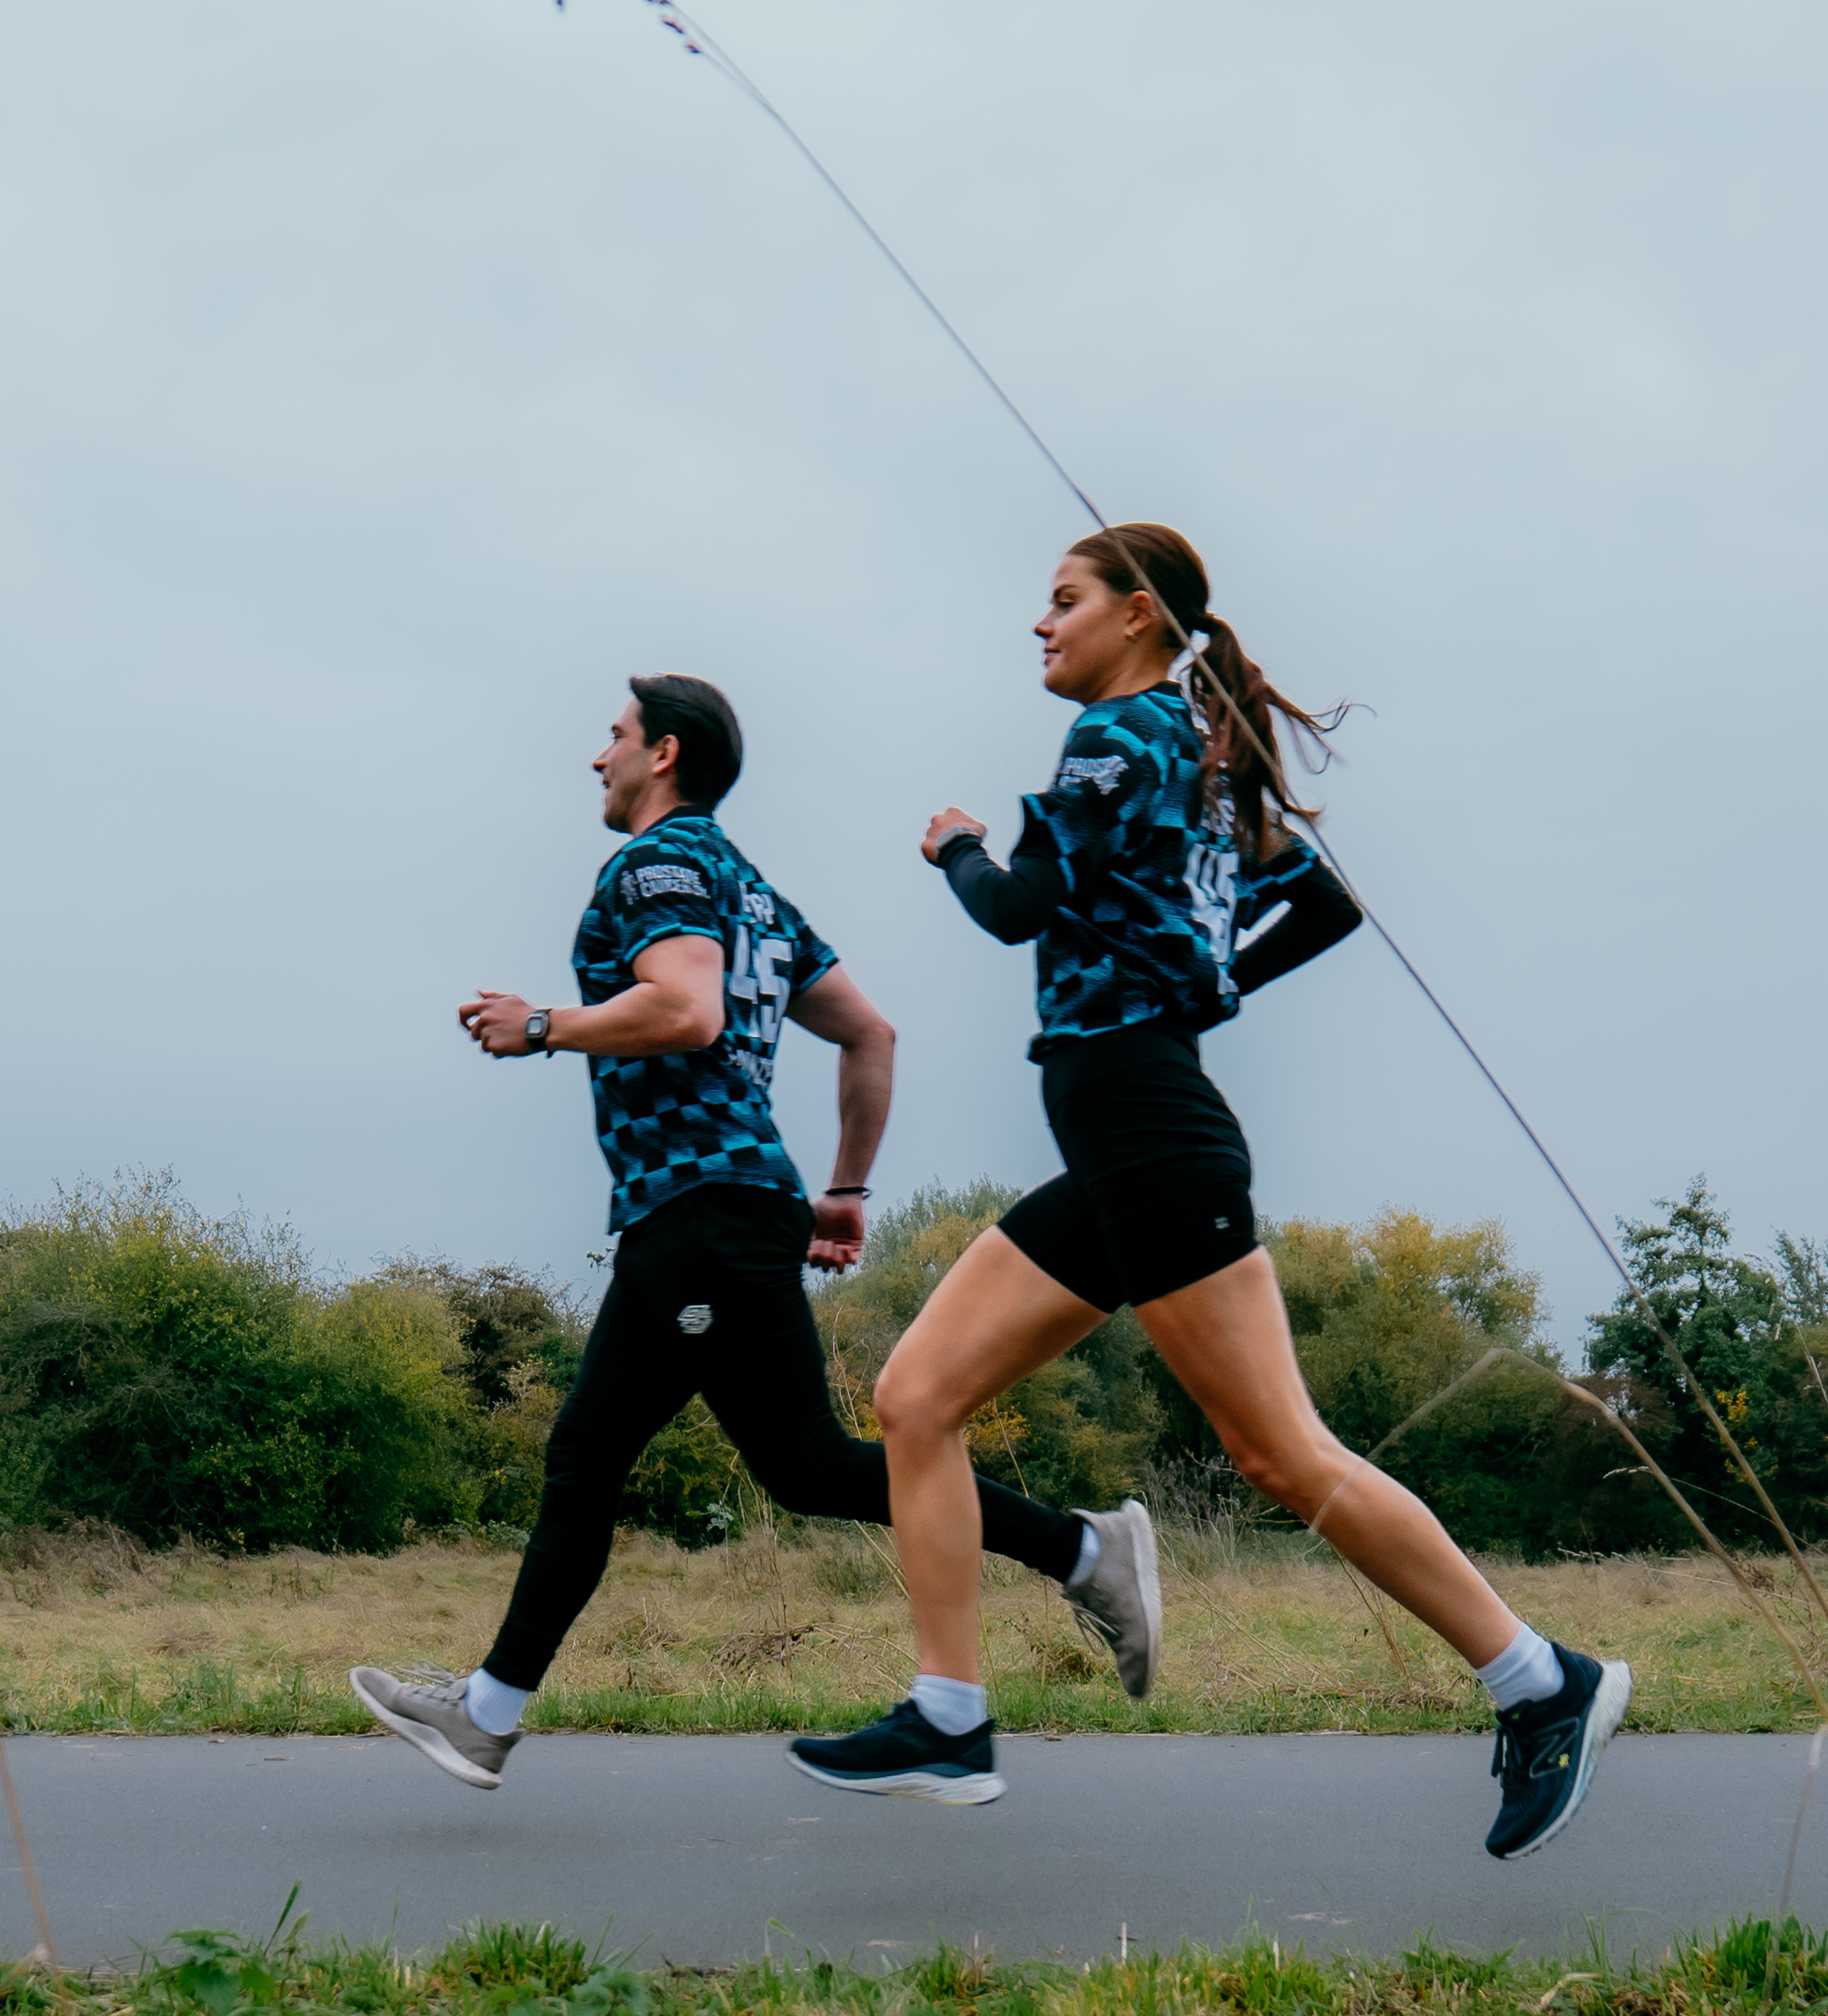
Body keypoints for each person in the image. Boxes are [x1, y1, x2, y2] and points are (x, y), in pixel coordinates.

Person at [784, 529, 1631, 1855]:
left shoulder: (1120, 739)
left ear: (1136, 615)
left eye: (1059, 602)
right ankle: (948, 1716)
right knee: (914, 1397)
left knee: (1277, 1450)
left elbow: (1014, 908)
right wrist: (1197, 985)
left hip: (1151, 1130)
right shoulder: (1200, 759)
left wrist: (954, 846)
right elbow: (1325, 907)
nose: (1038, 625)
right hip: (1124, 1134)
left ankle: (1539, 1680)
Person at [351, 674, 1160, 1796]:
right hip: (718, 1212)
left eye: (616, 737)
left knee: (793, 1463)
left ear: (665, 754)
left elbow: (687, 1008)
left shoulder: (659, 865)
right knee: (628, 1459)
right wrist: (843, 1189)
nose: (600, 757)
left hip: (701, 1213)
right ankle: (487, 1712)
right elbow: (868, 1032)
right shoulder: (750, 889)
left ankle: (1084, 1549)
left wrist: (543, 1026)